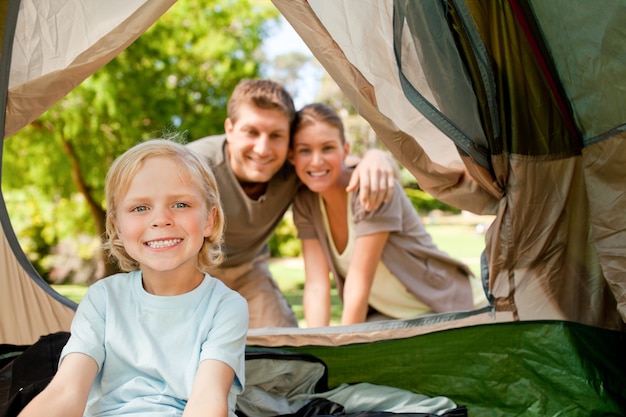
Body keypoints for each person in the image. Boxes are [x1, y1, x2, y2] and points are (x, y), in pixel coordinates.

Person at [18, 139, 248, 417]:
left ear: (209, 220)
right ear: (117, 226)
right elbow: (66, 391)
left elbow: (207, 403)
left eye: (180, 204)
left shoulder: (225, 307)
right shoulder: (103, 299)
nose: (160, 219)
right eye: (140, 208)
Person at [187, 79, 397, 328]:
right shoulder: (193, 165)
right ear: (230, 129)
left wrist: (379, 156)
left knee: (284, 345)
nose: (263, 149)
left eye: (276, 135)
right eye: (251, 132)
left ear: (289, 143)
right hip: (190, 270)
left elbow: (337, 164)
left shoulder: (296, 167)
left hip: (248, 271)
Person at [289, 103, 488, 327]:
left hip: (456, 306)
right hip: (397, 320)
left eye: (327, 148)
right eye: (305, 150)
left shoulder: (372, 188)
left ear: (345, 151)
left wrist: (342, 349)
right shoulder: (306, 202)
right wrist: (318, 349)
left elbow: (359, 282)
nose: (316, 161)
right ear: (292, 156)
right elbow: (316, 285)